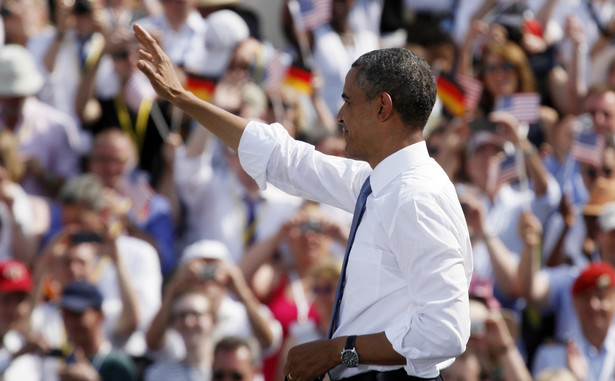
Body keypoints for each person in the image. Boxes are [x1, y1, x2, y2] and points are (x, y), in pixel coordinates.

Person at [134, 24, 473, 381]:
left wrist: (339, 351)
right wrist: (183, 99)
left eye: (348, 100)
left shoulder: (415, 196)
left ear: (382, 107)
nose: (339, 115)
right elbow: (286, 158)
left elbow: (444, 331)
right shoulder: (380, 182)